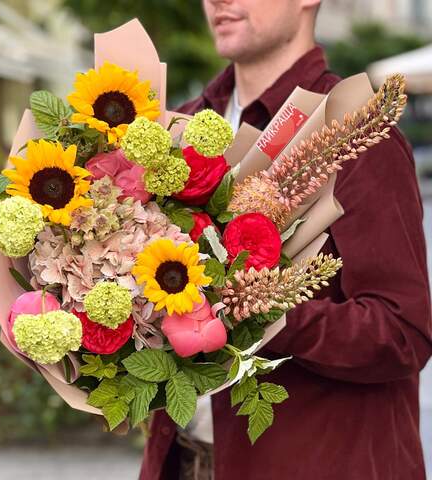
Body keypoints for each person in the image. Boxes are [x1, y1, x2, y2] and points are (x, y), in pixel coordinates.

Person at [139, 1, 432, 479]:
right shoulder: (181, 127)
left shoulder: (354, 132)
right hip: (184, 460)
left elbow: (403, 334)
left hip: (312, 462)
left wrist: (263, 310)